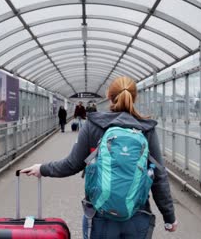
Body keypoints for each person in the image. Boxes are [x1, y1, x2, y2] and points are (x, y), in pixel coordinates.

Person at [22, 76, 177, 238]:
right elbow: (159, 176)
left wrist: (42, 168)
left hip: (99, 216)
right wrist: (169, 217)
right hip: (137, 214)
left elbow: (72, 164)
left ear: (109, 96)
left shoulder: (93, 125)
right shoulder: (146, 129)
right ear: (135, 97)